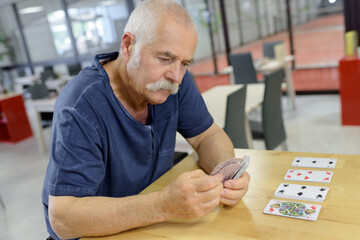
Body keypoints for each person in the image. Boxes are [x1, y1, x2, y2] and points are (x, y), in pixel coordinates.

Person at [42, 0, 250, 239]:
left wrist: (226, 174)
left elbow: (207, 135)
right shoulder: (81, 105)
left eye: (184, 63)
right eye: (164, 58)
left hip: (147, 223)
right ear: (128, 45)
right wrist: (163, 205)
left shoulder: (172, 80)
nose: (176, 76)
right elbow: (63, 218)